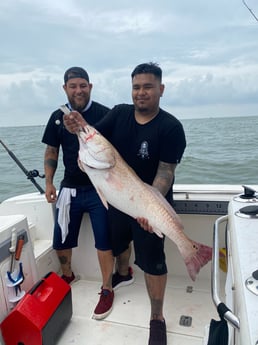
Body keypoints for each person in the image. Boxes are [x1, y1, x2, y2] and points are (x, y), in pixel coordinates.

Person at [64, 62, 186, 345]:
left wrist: (148, 208)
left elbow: (166, 173)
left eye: (148, 87)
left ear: (161, 89)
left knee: (153, 263)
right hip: (117, 201)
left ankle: (157, 318)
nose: (141, 93)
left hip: (150, 204)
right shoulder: (119, 114)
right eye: (136, 87)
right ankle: (121, 273)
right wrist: (77, 127)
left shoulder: (171, 127)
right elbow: (93, 134)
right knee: (119, 244)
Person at [42, 67, 115, 320]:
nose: (78, 90)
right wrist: (49, 183)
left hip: (100, 189)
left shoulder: (105, 114)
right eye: (73, 86)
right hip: (69, 187)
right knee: (61, 241)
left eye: (83, 85)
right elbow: (52, 151)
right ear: (65, 88)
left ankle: (107, 288)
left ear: (90, 87)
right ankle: (67, 276)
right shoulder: (57, 117)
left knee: (105, 240)